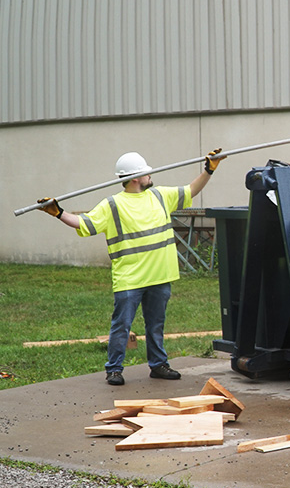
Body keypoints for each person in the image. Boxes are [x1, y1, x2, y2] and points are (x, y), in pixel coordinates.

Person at [38, 149, 226, 385]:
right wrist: (59, 213)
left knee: (156, 325)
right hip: (130, 279)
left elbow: (191, 191)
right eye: (147, 173)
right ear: (136, 178)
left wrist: (209, 170)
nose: (151, 176)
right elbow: (84, 223)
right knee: (122, 326)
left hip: (159, 276)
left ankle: (158, 365)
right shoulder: (112, 205)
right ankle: (114, 369)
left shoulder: (160, 196)